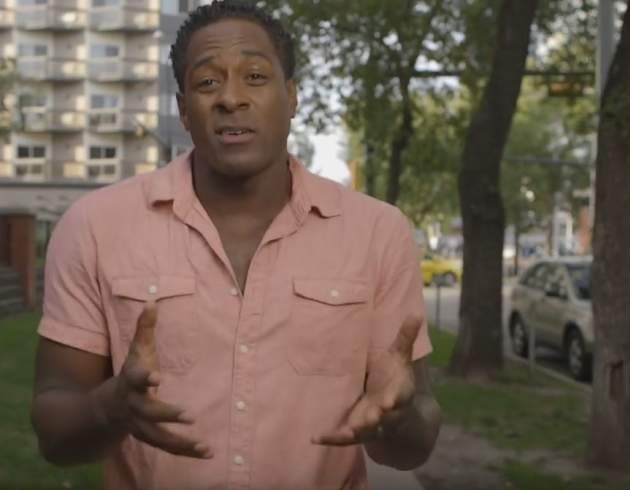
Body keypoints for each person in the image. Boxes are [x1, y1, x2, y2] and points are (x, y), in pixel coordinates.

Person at [30, 1, 442, 488]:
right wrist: (108, 408)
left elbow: (415, 439)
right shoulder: (95, 226)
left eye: (255, 77)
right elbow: (54, 432)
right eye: (207, 82)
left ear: (292, 96)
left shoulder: (377, 233)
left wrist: (399, 419)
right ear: (184, 109)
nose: (230, 98)